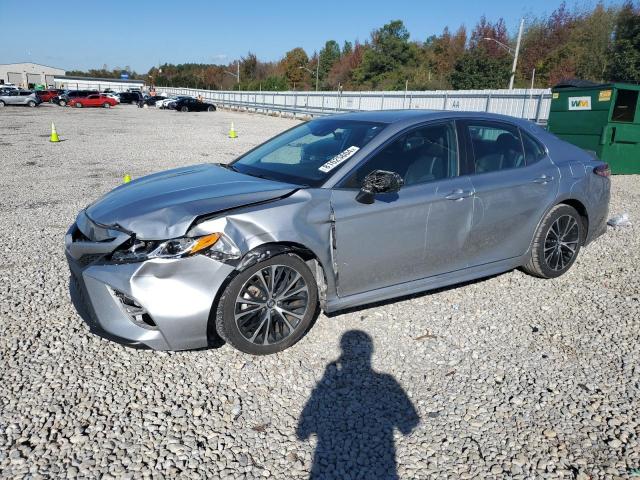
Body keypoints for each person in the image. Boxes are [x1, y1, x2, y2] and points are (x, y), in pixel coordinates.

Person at [297, 331, 419, 480]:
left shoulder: (329, 382)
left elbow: (302, 433)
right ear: (371, 352)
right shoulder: (387, 381)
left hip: (327, 460)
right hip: (379, 464)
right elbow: (409, 424)